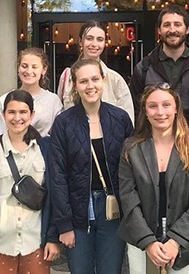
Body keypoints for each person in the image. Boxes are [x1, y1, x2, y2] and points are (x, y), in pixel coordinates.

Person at [49, 59, 134, 274]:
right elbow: (57, 175)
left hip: (112, 210)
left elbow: (132, 169)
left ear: (103, 81)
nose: (90, 86)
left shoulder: (120, 119)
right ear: (75, 85)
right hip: (78, 210)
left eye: (95, 79)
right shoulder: (64, 122)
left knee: (110, 270)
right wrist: (64, 224)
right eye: (83, 81)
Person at [119, 83, 189, 274]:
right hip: (142, 243)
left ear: (176, 108)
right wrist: (148, 241)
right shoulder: (131, 150)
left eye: (166, 105)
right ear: (145, 111)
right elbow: (128, 198)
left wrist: (175, 241)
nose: (160, 112)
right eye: (153, 106)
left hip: (185, 244)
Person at [0, 90, 61, 274]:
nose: (17, 117)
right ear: (3, 114)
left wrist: (53, 237)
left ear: (32, 114)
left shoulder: (46, 149)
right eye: (11, 112)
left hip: (36, 243)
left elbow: (56, 196)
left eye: (23, 112)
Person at [130, 5, 189, 136]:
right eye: (166, 25)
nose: (172, 30)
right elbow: (137, 110)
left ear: (187, 29)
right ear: (159, 30)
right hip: (154, 143)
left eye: (177, 24)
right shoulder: (144, 68)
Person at [57, 20, 135, 124]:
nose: (94, 44)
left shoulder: (115, 79)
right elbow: (60, 117)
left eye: (100, 39)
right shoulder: (67, 77)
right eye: (89, 38)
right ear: (81, 41)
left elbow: (128, 122)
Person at [0, 47, 63, 137]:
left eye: (34, 67)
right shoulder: (3, 101)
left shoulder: (53, 101)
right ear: (18, 68)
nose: (29, 71)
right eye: (24, 66)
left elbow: (58, 136)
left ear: (44, 70)